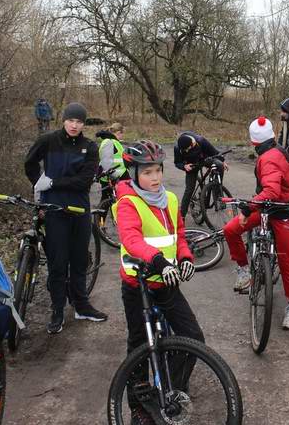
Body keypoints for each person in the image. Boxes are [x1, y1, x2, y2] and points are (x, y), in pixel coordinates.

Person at [114, 140, 202, 425]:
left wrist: (185, 256)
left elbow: (179, 233)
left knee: (193, 338)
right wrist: (158, 260)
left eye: (158, 171)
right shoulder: (128, 203)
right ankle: (139, 406)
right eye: (148, 172)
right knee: (139, 347)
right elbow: (132, 239)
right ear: (133, 173)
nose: (155, 178)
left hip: (167, 281)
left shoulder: (171, 200)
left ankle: (172, 392)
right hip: (138, 284)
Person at [24, 102, 108, 333]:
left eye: (79, 122)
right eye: (71, 120)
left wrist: (53, 182)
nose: (74, 125)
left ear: (83, 124)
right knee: (58, 264)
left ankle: (82, 306)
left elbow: (84, 181)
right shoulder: (48, 140)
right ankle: (57, 310)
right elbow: (29, 162)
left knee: (79, 261)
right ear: (64, 120)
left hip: (80, 211)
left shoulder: (90, 147)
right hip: (54, 210)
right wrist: (38, 181)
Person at [222, 116, 289, 330]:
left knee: (286, 261)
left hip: (284, 211)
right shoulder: (277, 150)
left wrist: (248, 208)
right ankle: (244, 271)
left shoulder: (268, 158)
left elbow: (272, 191)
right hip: (268, 208)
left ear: (254, 142)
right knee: (230, 230)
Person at [174, 132, 227, 217]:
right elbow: (177, 162)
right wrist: (184, 166)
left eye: (188, 149)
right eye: (185, 150)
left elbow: (214, 152)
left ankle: (217, 194)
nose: (186, 151)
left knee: (219, 165)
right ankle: (182, 216)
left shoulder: (200, 140)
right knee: (189, 189)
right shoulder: (177, 147)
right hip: (191, 165)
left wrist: (223, 161)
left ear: (193, 143)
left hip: (204, 159)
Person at [97, 122, 128, 202]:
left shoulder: (114, 142)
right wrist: (110, 177)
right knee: (106, 201)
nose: (122, 136)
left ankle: (101, 214)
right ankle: (100, 214)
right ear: (118, 133)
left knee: (107, 200)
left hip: (116, 176)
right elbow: (106, 162)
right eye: (122, 134)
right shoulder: (109, 142)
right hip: (112, 177)